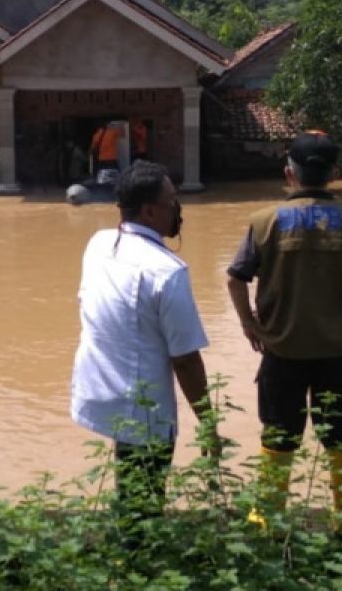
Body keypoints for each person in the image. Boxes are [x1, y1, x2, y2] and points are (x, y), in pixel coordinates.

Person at [226, 131, 342, 512]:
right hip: (340, 350)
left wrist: (249, 324)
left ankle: (268, 516)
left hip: (281, 348)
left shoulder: (263, 222)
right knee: (340, 432)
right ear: (334, 174)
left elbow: (236, 279)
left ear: (290, 173)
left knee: (279, 432)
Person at [70, 160, 213, 515]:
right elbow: (185, 358)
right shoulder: (168, 272)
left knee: (128, 488)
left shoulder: (99, 244)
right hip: (145, 411)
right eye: (172, 201)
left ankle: (128, 551)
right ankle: (138, 559)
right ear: (150, 211)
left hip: (100, 392)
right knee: (145, 504)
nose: (177, 209)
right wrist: (208, 422)